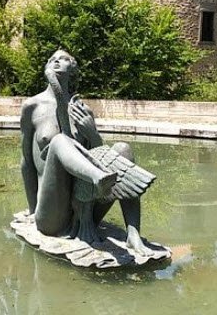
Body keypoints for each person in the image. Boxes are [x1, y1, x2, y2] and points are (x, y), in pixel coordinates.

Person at [20, 49, 154, 255]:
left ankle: (133, 234)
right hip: (51, 213)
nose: (56, 62)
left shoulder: (82, 109)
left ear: (72, 67)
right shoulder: (32, 106)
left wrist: (92, 134)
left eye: (63, 59)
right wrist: (31, 211)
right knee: (59, 142)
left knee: (122, 149)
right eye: (52, 59)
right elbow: (27, 163)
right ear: (46, 67)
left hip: (84, 208)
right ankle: (98, 178)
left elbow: (97, 155)